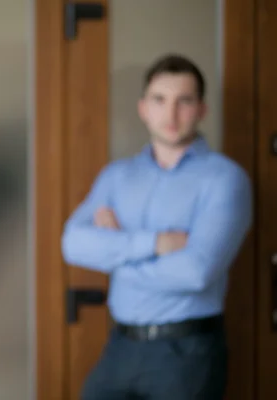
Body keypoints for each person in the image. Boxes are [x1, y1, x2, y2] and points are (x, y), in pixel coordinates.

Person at [61, 54, 252, 400]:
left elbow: (196, 272)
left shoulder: (226, 179)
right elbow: (73, 244)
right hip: (120, 347)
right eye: (160, 100)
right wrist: (156, 243)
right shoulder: (116, 177)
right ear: (143, 108)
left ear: (202, 110)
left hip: (187, 353)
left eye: (184, 101)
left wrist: (115, 253)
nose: (171, 113)